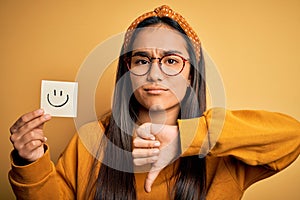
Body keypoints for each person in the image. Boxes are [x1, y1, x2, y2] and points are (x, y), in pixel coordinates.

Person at [8, 5, 300, 200]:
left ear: (191, 74)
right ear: (127, 72)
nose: (155, 72)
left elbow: (293, 136)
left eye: (171, 60)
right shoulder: (91, 141)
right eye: (142, 59)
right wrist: (31, 162)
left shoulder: (220, 149)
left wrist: (188, 138)